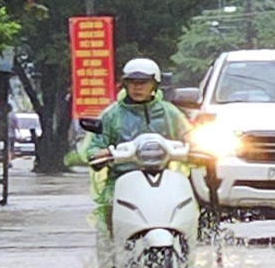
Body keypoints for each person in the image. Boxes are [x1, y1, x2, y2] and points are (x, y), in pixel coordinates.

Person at [76, 57, 190, 242]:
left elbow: (189, 135)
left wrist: (197, 144)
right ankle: (112, 257)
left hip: (165, 180)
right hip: (122, 181)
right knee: (109, 207)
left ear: (154, 85)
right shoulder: (112, 115)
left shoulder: (170, 113)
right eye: (133, 82)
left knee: (190, 205)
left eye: (143, 83)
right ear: (125, 85)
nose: (138, 87)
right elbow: (95, 146)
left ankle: (186, 250)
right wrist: (99, 153)